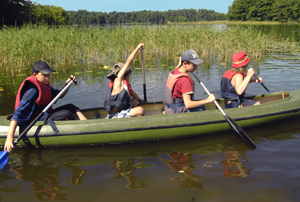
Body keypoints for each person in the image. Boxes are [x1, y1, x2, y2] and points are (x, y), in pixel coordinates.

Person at [4, 60, 87, 152]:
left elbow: (59, 95)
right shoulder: (32, 90)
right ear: (35, 75)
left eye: (49, 75)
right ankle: (85, 131)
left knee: (71, 107)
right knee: (67, 113)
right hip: (36, 120)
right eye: (44, 75)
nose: (47, 78)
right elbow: (18, 113)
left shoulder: (44, 85)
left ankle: (87, 125)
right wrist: (9, 137)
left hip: (46, 114)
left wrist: (67, 85)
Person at [164, 50, 216, 114]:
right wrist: (208, 100)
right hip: (178, 112)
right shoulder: (185, 80)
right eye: (194, 65)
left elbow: (180, 65)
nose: (196, 68)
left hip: (170, 110)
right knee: (207, 112)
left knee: (201, 106)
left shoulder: (175, 71)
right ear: (185, 64)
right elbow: (188, 104)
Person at [104, 43, 146, 119]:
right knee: (140, 110)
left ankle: (130, 117)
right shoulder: (118, 80)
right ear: (124, 74)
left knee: (134, 101)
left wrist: (141, 100)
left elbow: (133, 94)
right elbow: (128, 61)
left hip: (122, 110)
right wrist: (137, 48)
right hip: (115, 115)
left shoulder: (123, 85)